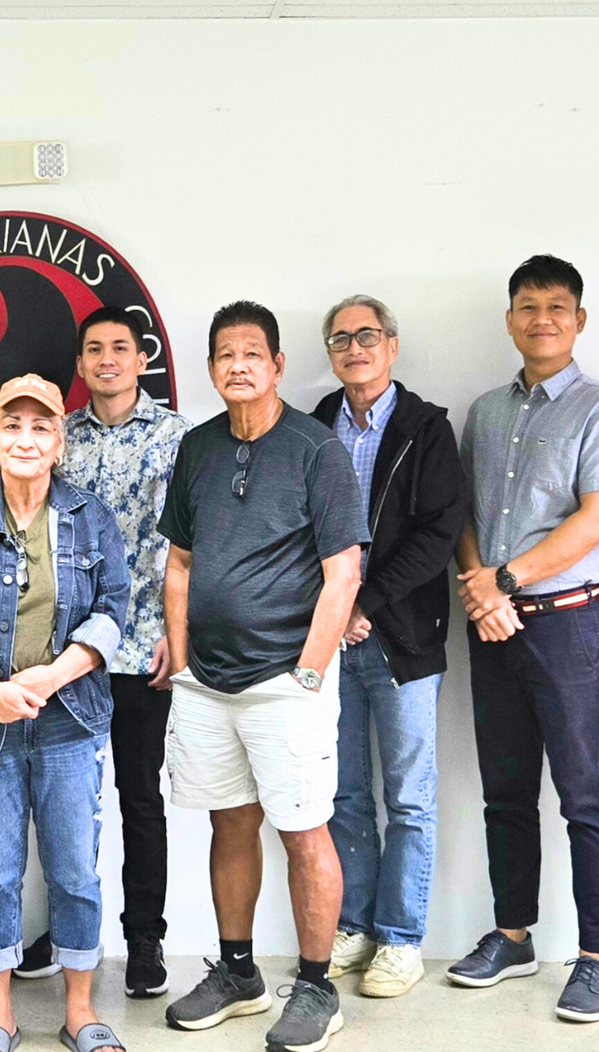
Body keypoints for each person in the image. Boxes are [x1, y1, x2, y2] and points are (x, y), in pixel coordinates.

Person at [159, 301, 365, 1052]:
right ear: (211, 369)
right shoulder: (199, 448)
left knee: (304, 829)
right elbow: (179, 561)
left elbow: (343, 571)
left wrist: (311, 673)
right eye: (224, 354)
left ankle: (316, 985)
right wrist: (179, 657)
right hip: (207, 680)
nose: (237, 364)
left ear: (277, 365)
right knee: (229, 820)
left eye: (252, 352)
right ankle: (239, 971)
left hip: (288, 679)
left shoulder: (317, 449)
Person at [450, 254, 599, 1024]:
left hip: (569, 624)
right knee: (504, 792)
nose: (542, 320)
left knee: (585, 796)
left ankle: (597, 957)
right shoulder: (486, 412)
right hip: (492, 623)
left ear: (579, 320)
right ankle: (513, 933)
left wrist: (507, 579)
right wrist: (481, 589)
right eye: (528, 307)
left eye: (557, 307)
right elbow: (461, 514)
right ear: (509, 319)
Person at [0, 373, 132, 1052]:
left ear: (59, 442)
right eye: (12, 425)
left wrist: (55, 672)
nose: (25, 438)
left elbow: (113, 608)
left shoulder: (92, 517)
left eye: (41, 426)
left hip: (69, 718)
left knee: (75, 868)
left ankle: (78, 1010)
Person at [309, 296, 465, 998]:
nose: (354, 347)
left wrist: (363, 604)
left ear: (392, 345)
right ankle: (358, 924)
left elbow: (437, 535)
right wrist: (332, 614)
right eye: (341, 338)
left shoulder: (426, 427)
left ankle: (402, 939)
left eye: (367, 335)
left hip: (401, 636)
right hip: (327, 639)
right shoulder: (313, 425)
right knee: (342, 792)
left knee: (409, 795)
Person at [43, 307, 190, 999]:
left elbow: (195, 543)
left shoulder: (175, 436)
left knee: (139, 797)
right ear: (79, 364)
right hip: (66, 649)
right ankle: (67, 928)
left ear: (141, 359)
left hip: (142, 648)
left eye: (120, 348)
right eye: (94, 349)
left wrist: (176, 631)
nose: (107, 358)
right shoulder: (57, 437)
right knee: (63, 795)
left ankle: (144, 940)